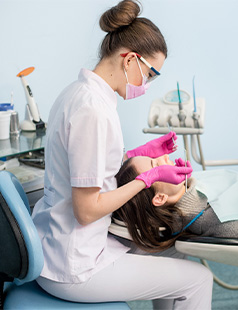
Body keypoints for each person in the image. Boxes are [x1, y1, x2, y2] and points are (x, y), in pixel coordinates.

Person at [32, 1, 213, 309]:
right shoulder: (94, 112)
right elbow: (87, 210)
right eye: (151, 74)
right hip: (75, 267)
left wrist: (140, 153)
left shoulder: (78, 93)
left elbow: (88, 166)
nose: (148, 84)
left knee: (173, 248)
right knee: (199, 279)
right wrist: (148, 178)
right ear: (129, 59)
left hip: (58, 244)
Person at [114, 154, 238, 253]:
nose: (165, 156)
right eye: (156, 165)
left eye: (154, 157)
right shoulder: (215, 218)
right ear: (160, 198)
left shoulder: (195, 186)